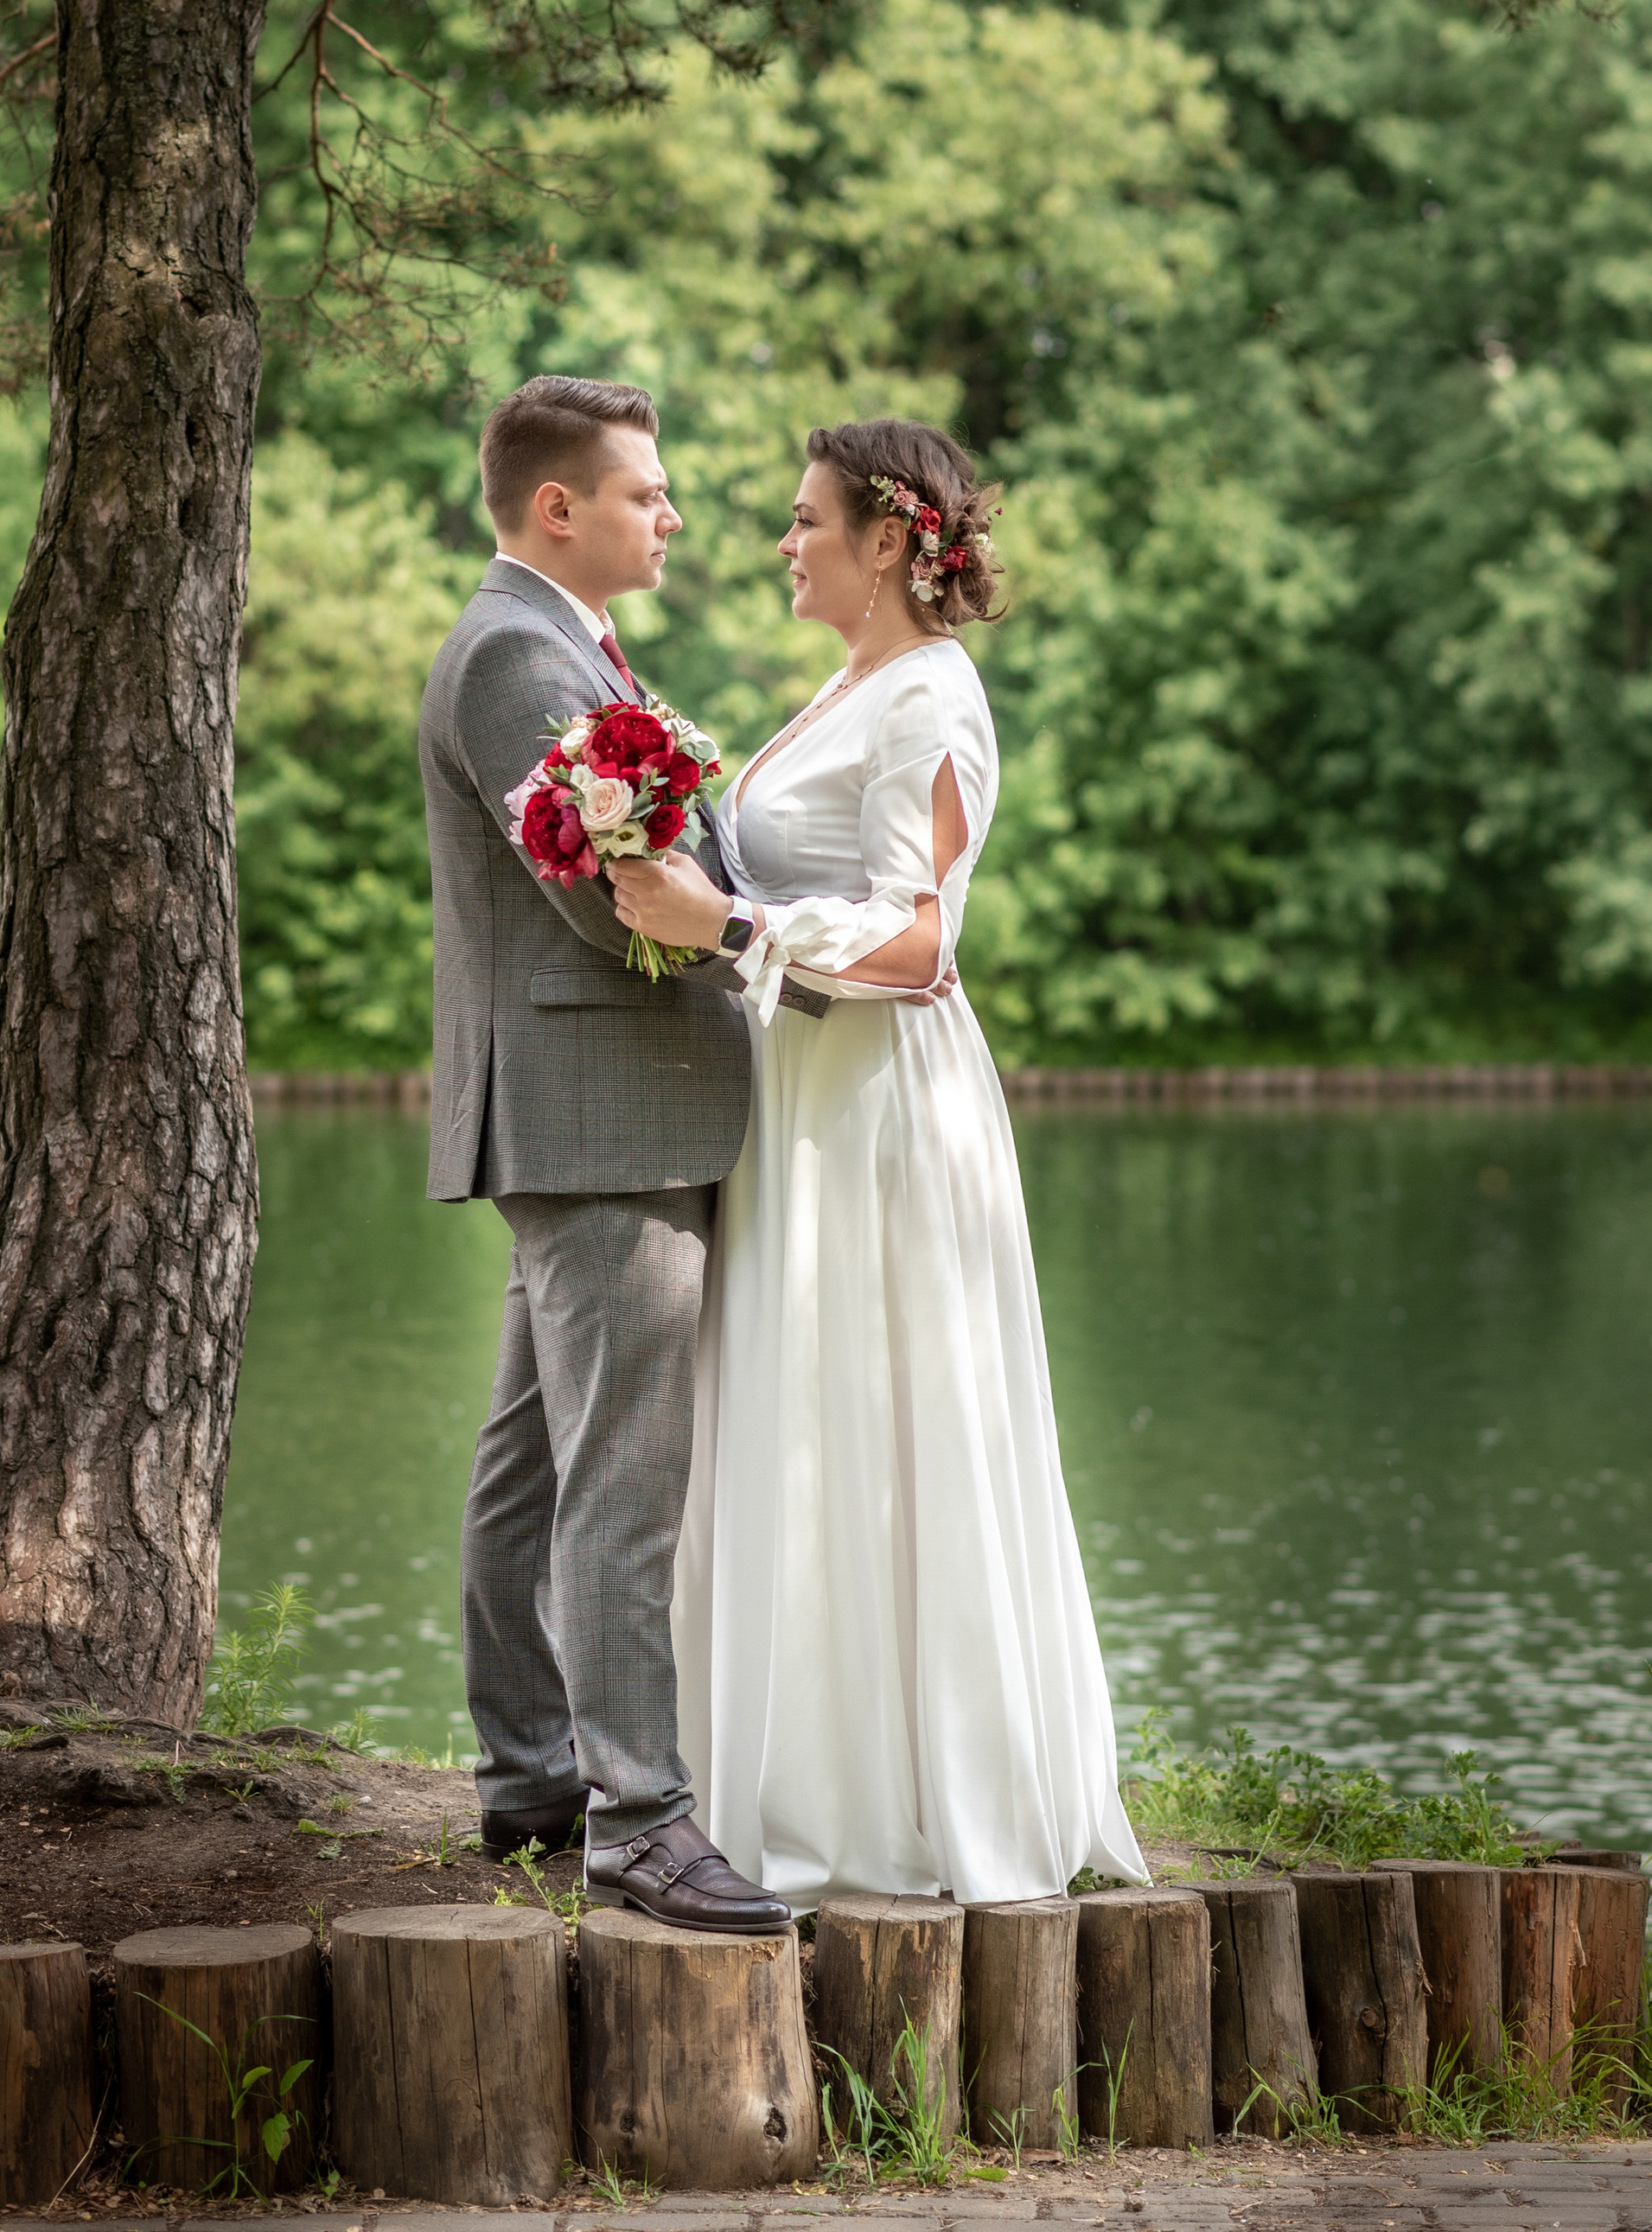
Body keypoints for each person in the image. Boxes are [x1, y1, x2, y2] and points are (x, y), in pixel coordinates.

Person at [610, 417, 1149, 1908]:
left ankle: (913, 1797)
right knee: (801, 1419)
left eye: (806, 519)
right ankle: (785, 1776)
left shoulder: (932, 697)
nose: (783, 542)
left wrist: (720, 922)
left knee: (883, 1422)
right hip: (799, 1096)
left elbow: (919, 946)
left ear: (893, 538)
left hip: (878, 1113)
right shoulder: (852, 682)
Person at [418, 373, 789, 1934]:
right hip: (603, 1112)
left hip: (588, 1109)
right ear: (558, 505)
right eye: (648, 490)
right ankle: (639, 1817)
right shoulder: (520, 653)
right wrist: (769, 940)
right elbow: (604, 897)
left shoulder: (557, 640)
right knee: (625, 1479)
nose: (673, 514)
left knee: (534, 1463)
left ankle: (530, 1778)